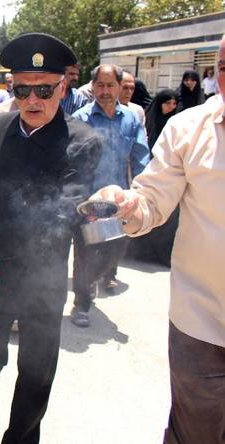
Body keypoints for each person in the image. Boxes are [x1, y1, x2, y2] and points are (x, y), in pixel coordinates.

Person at [0, 33, 102, 443]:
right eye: (21, 89)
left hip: (44, 274)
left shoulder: (83, 141)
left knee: (37, 373)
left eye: (44, 89)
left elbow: (64, 212)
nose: (32, 99)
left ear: (63, 88)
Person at [91, 35, 225, 444]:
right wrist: (128, 205)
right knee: (196, 433)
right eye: (224, 68)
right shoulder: (189, 128)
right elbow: (152, 199)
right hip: (202, 323)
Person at [70, 64, 149, 327]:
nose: (105, 91)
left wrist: (141, 191)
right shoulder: (81, 119)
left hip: (118, 202)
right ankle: (82, 303)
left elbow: (141, 157)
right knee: (85, 252)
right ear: (93, 87)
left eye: (110, 85)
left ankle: (94, 279)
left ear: (119, 87)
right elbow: (72, 160)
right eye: (100, 85)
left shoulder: (131, 119)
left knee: (116, 248)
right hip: (88, 201)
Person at [126, 89, 180, 267]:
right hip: (150, 173)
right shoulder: (150, 121)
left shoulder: (178, 124)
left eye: (174, 104)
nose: (171, 107)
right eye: (167, 103)